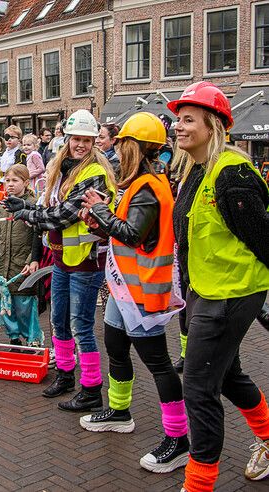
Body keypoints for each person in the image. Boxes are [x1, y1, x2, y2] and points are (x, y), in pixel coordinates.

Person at [166, 82, 269, 490]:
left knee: (198, 389)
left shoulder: (232, 174)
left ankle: (198, 484)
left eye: (188, 120)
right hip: (204, 292)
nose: (179, 127)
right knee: (225, 376)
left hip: (230, 295)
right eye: (178, 119)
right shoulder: (194, 170)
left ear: (213, 126)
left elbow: (263, 239)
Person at [78, 112, 189, 473]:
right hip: (124, 287)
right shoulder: (142, 182)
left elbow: (132, 234)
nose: (117, 149)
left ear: (134, 147)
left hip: (142, 291)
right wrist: (100, 215)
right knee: (115, 345)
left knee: (157, 363)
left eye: (122, 143)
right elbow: (123, 228)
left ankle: (179, 437)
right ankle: (119, 409)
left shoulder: (147, 187)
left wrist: (99, 211)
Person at [3, 109, 117, 412]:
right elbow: (48, 207)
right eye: (75, 138)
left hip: (86, 261)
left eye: (86, 140)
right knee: (58, 320)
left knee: (81, 325)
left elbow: (63, 215)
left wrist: (26, 213)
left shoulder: (95, 174)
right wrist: (24, 206)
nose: (79, 144)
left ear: (93, 142)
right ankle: (66, 375)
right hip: (62, 258)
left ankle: (91, 388)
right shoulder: (62, 168)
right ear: (67, 139)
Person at [0, 164, 43, 345]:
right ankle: (14, 337)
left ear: (26, 182)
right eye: (7, 180)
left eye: (14, 180)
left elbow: (37, 236)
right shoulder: (2, 206)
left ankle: (32, 337)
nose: (9, 184)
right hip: (4, 263)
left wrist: (31, 260)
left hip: (22, 263)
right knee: (6, 301)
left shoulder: (34, 206)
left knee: (24, 303)